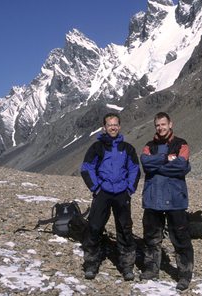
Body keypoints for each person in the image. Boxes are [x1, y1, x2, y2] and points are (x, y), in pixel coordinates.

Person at [80, 112, 141, 281]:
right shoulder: (97, 147)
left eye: (115, 124)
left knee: (125, 228)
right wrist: (96, 188)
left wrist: (130, 189)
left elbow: (135, 169)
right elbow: (86, 168)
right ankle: (91, 264)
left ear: (119, 127)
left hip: (122, 193)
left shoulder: (127, 149)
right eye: (109, 124)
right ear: (104, 127)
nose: (113, 127)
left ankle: (127, 266)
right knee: (94, 226)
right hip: (103, 192)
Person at [139, 112, 194, 291]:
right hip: (153, 198)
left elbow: (181, 166)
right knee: (151, 237)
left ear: (170, 124)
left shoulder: (181, 144)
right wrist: (165, 159)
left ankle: (184, 274)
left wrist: (158, 168)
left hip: (175, 198)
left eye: (163, 124)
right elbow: (146, 164)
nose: (161, 128)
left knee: (180, 238)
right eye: (157, 125)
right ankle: (151, 268)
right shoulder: (149, 146)